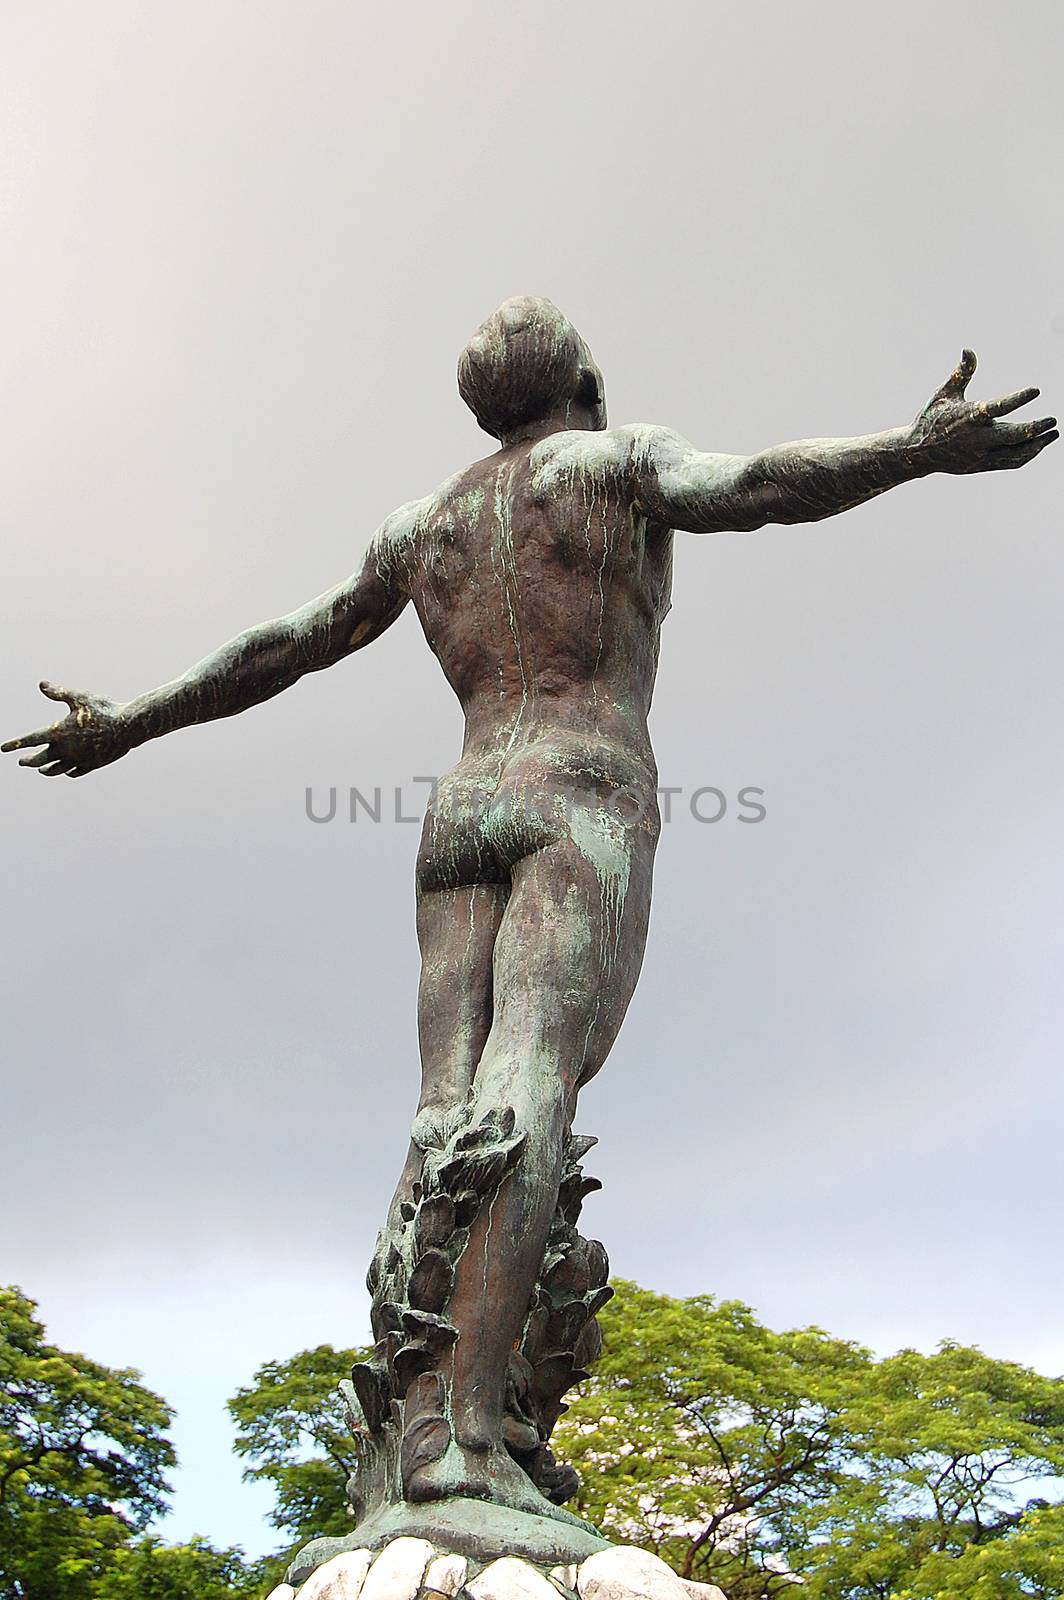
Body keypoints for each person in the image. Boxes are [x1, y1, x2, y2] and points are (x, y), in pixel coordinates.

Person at [4, 296, 1055, 1520]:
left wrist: (132, 719)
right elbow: (760, 485)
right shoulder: (612, 462)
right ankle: (454, 1438)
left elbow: (281, 644)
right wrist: (908, 449)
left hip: (457, 812)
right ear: (586, 381)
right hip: (578, 792)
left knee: (443, 1106)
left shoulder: (425, 528)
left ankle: (450, 1415)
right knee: (533, 1078)